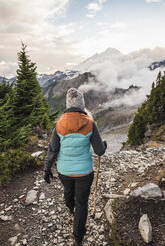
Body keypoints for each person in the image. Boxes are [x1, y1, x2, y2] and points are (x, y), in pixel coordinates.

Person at [44, 88, 107, 246]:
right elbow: (99, 151)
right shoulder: (90, 124)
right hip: (85, 172)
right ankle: (78, 237)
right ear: (82, 104)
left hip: (64, 171)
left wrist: (47, 169)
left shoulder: (59, 125)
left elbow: (53, 150)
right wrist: (104, 145)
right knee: (82, 202)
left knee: (68, 190)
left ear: (67, 104)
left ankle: (69, 207)